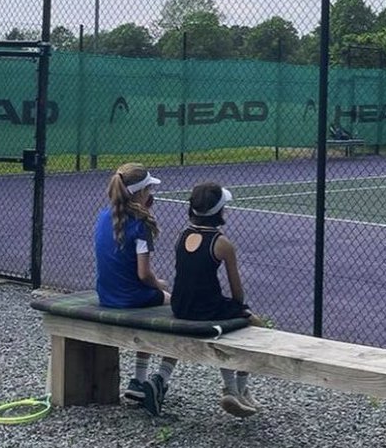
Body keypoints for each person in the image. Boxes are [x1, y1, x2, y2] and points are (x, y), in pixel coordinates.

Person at [172, 182, 261, 418]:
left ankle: (237, 391)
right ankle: (236, 389)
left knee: (229, 321)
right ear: (219, 212)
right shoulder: (222, 244)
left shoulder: (181, 236)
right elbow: (237, 293)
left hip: (180, 306)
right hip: (205, 309)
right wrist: (240, 308)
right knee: (253, 325)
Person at [94, 162, 177, 416]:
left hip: (106, 295)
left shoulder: (103, 216)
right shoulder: (140, 224)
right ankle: (159, 378)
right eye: (149, 189)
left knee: (154, 308)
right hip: (130, 297)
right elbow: (144, 274)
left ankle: (138, 381)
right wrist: (160, 285)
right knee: (176, 308)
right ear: (141, 193)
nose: (152, 194)